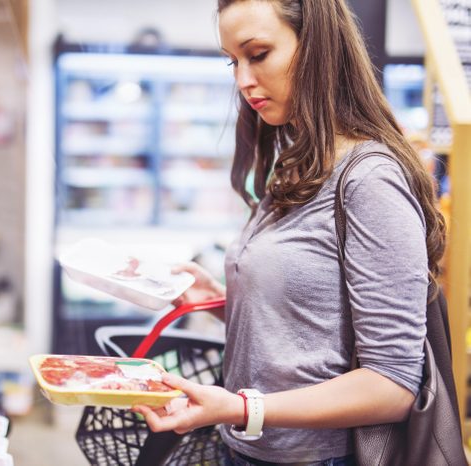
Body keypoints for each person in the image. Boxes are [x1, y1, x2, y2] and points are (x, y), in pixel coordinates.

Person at [131, 1, 446, 465]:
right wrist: (219, 299)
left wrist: (242, 407)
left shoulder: (369, 180)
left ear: (318, 45)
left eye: (257, 54)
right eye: (232, 61)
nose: (242, 80)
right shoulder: (298, 162)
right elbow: (311, 325)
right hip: (249, 449)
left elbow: (392, 384)